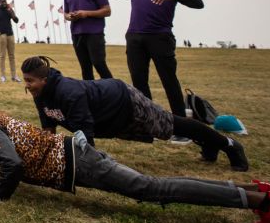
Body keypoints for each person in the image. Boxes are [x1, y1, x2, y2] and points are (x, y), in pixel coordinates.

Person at [0, 95, 270, 223]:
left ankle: (263, 203)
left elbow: (13, 161)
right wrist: (6, 175)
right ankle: (258, 194)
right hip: (76, 154)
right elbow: (16, 157)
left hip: (79, 162)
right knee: (153, 185)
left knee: (152, 189)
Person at [19, 55, 247, 170]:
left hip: (124, 101)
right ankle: (209, 143)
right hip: (110, 117)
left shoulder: (68, 93)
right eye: (25, 80)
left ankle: (230, 145)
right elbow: (48, 130)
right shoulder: (41, 95)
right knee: (167, 128)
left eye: (30, 81)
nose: (26, 85)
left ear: (45, 79)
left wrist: (90, 169)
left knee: (168, 125)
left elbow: (85, 135)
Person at [107, 0, 204, 142]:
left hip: (160, 38)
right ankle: (150, 124)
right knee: (139, 82)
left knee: (169, 81)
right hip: (135, 38)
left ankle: (181, 128)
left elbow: (198, 3)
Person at [62, 0, 113, 80]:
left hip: (94, 34)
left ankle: (114, 90)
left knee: (99, 64)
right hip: (77, 34)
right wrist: (69, 16)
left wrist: (85, 13)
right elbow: (66, 13)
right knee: (85, 68)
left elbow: (107, 11)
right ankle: (90, 96)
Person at [0, 0, 20, 82]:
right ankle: (3, 76)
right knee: (2, 56)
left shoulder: (9, 9)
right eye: (2, 2)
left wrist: (11, 12)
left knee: (12, 56)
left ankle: (14, 76)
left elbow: (16, 20)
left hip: (10, 34)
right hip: (1, 35)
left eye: (4, 1)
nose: (3, 3)